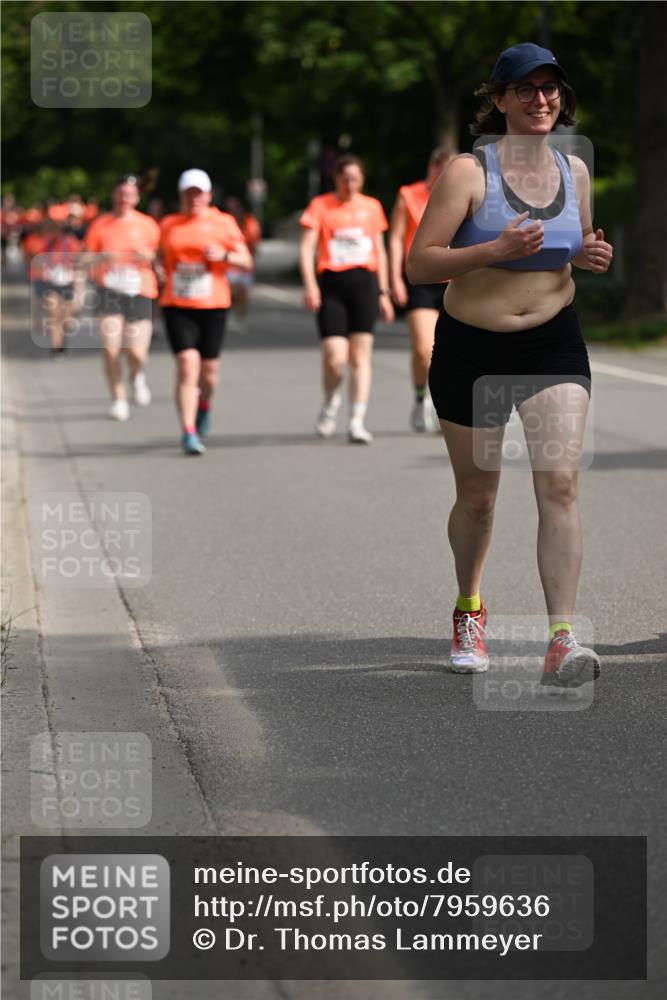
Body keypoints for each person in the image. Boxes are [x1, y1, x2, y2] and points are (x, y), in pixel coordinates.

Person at [407, 43, 613, 686]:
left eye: (551, 88)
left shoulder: (572, 172)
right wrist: (492, 248)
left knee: (560, 484)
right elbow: (419, 264)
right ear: (497, 100)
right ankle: (469, 610)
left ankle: (562, 638)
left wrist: (584, 257)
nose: (541, 99)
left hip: (553, 344)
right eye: (525, 89)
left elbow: (568, 247)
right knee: (479, 497)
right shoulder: (469, 173)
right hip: (474, 347)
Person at [300, 154, 394, 444]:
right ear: (336, 179)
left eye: (355, 179)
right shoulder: (320, 206)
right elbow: (306, 249)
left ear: (362, 179)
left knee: (360, 357)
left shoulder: (371, 207)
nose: (350, 184)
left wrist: (385, 292)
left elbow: (380, 251)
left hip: (364, 285)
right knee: (334, 358)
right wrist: (311, 286)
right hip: (331, 286)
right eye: (345, 179)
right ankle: (330, 400)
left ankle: (356, 420)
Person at [158, 169, 253, 455]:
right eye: (188, 192)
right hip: (177, 303)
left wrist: (224, 256)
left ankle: (204, 405)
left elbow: (246, 261)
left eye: (199, 192)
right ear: (180, 196)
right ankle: (188, 431)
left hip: (213, 304)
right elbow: (158, 256)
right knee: (188, 364)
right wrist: (158, 267)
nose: (194, 198)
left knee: (208, 373)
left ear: (208, 195)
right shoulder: (169, 224)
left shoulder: (223, 223)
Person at [388, 146, 456, 432]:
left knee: (453, 351)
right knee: (423, 349)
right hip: (420, 281)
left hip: (454, 280)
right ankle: (420, 398)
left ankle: (447, 408)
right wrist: (393, 280)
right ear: (432, 168)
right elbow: (394, 239)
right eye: (444, 171)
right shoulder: (409, 195)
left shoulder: (461, 196)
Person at [84, 174, 161, 420]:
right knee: (110, 349)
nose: (123, 198)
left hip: (140, 290)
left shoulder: (148, 225)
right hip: (108, 290)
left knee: (136, 352)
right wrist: (101, 258)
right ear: (113, 196)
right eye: (119, 193)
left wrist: (149, 256)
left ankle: (136, 375)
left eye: (129, 194)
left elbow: (162, 258)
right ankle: (118, 399)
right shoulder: (100, 224)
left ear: (137, 197)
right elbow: (84, 259)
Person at [30, 219, 84, 357]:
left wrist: (79, 291)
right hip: (51, 285)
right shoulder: (45, 246)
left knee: (65, 319)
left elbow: (79, 265)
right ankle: (56, 347)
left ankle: (62, 339)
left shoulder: (70, 243)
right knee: (54, 316)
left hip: (68, 283)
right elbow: (38, 266)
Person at [222, 196, 261, 332]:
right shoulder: (224, 222)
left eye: (236, 208)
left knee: (243, 292)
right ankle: (227, 315)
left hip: (244, 263)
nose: (234, 211)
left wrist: (252, 260)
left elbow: (254, 242)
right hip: (229, 263)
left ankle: (240, 317)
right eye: (230, 208)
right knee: (231, 291)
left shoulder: (249, 221)